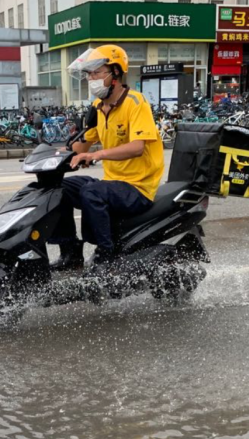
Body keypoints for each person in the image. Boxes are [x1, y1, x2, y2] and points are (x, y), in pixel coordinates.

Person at [48, 44, 164, 270]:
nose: (91, 79)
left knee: (91, 191)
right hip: (113, 183)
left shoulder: (136, 103)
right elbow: (83, 144)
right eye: (89, 74)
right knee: (58, 189)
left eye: (97, 72)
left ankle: (106, 255)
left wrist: (97, 155)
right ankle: (70, 252)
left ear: (116, 73)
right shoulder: (98, 106)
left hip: (138, 187)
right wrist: (54, 154)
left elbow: (137, 147)